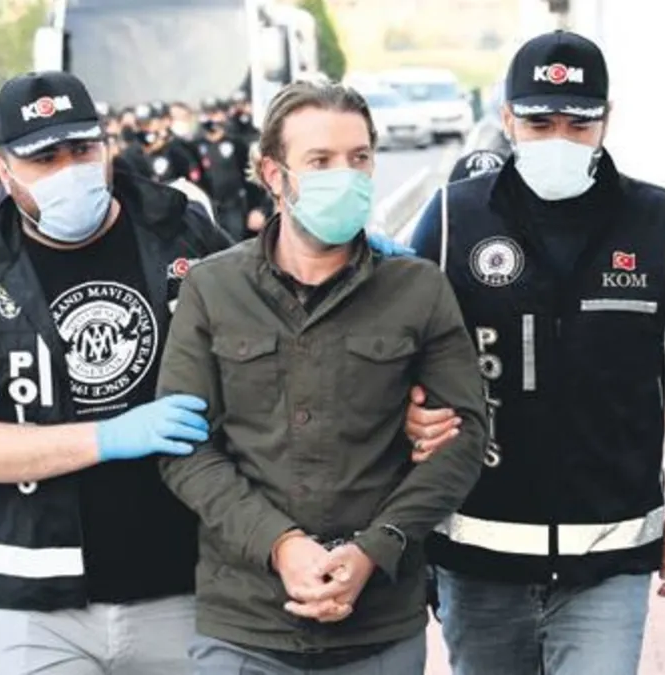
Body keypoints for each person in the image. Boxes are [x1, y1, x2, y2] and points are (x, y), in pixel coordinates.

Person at [157, 81, 488, 675]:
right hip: (244, 627)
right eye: (320, 161)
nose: (346, 176)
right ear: (273, 174)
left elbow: (463, 440)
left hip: (380, 628)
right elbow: (186, 450)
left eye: (359, 158)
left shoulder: (418, 289)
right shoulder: (212, 288)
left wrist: (373, 550)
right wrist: (281, 546)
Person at [0, 71, 233, 674]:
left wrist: (354, 267)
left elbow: (274, 341)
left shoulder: (185, 235)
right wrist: (107, 437)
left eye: (83, 149)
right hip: (34, 600)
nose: (70, 170)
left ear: (106, 144)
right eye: (44, 158)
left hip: (183, 580)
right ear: (4, 169)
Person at [407, 30, 665, 675]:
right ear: (508, 118)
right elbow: (390, 350)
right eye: (540, 123)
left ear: (606, 121)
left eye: (578, 124)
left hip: (611, 560)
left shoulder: (664, 224)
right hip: (477, 562)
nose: (559, 139)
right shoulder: (452, 219)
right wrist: (409, 412)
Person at [194, 98, 264, 241]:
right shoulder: (196, 145)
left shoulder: (236, 142)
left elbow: (249, 176)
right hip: (210, 207)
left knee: (235, 242)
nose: (211, 118)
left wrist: (256, 207)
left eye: (215, 113)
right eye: (207, 113)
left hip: (235, 205)